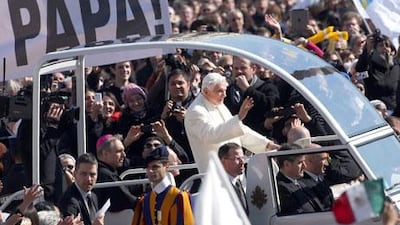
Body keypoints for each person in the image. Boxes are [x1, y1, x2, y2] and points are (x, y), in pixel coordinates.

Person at [185, 72, 279, 173]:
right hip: (215, 172)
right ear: (206, 91)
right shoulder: (196, 111)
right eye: (220, 91)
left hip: (235, 168)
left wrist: (266, 144)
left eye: (225, 90)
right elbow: (211, 135)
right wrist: (238, 117)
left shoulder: (219, 104)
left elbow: (238, 131)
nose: (225, 95)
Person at [131, 145, 194, 225]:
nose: (150, 171)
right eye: (147, 167)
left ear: (166, 166)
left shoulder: (178, 198)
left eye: (155, 167)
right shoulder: (145, 201)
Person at [225, 56, 280, 136]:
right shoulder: (228, 91)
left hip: (260, 137)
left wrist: (248, 89)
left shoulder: (268, 87)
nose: (239, 71)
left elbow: (271, 106)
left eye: (243, 68)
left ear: (253, 69)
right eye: (236, 68)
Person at [94, 134, 139, 213]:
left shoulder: (105, 171)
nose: (124, 155)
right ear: (105, 154)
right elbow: (126, 200)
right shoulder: (105, 175)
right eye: (119, 151)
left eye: (123, 151)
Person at [276, 144, 324, 215]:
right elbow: (298, 216)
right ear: (287, 164)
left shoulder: (300, 183)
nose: (305, 166)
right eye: (300, 162)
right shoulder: (281, 188)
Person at [58, 153, 104, 225]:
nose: (88, 179)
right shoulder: (69, 201)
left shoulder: (93, 196)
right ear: (75, 174)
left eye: (92, 174)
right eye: (84, 174)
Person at [218, 142, 248, 215]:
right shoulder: (218, 186)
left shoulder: (238, 182)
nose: (242, 162)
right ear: (223, 161)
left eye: (243, 158)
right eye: (237, 159)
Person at [302, 143, 334, 211]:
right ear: (310, 161)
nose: (327, 163)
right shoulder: (303, 185)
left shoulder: (321, 177)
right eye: (323, 159)